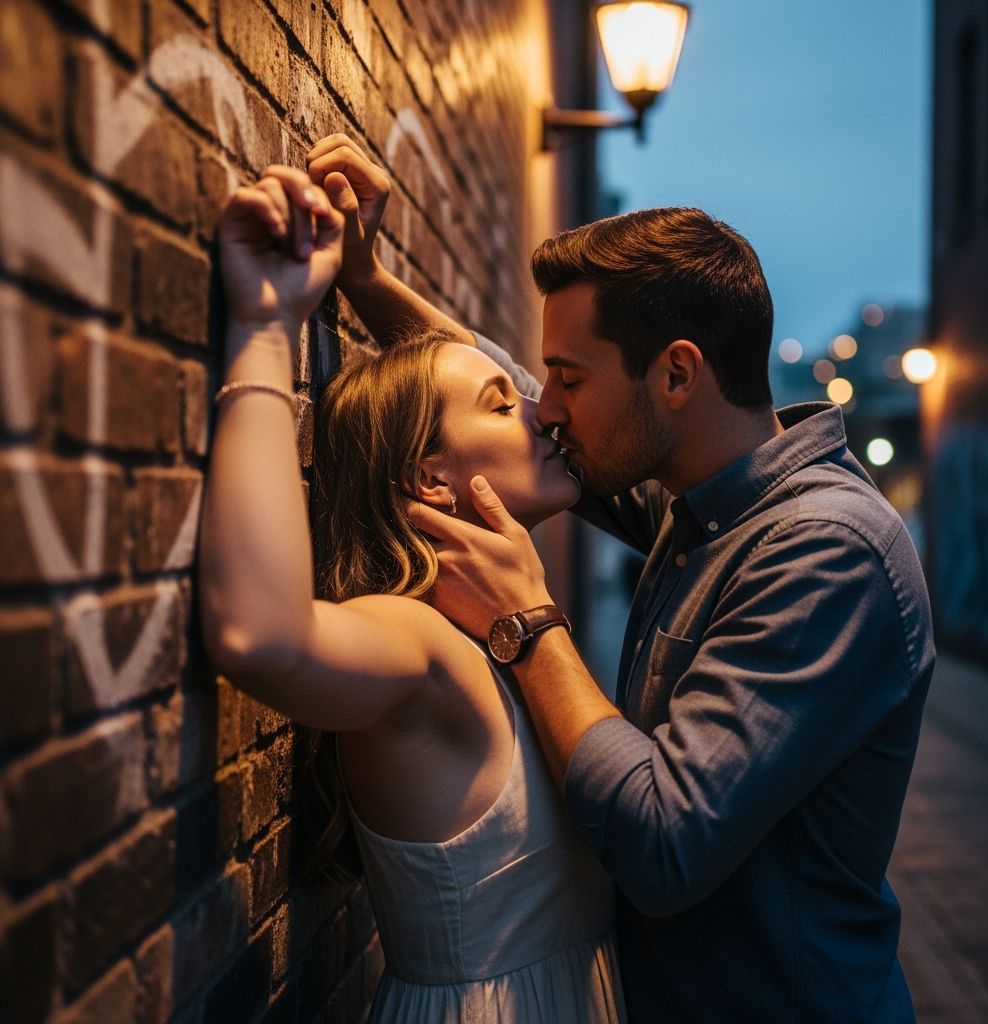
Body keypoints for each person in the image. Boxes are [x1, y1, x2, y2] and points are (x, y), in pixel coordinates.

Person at [307, 133, 936, 1023]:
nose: (546, 410)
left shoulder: (824, 549)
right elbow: (505, 402)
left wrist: (528, 624)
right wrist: (366, 281)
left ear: (676, 374)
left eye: (569, 379)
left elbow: (662, 843)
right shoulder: (699, 498)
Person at [198, 164, 628, 1022]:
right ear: (431, 479)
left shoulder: (492, 627)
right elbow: (261, 636)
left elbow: (457, 382)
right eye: (506, 404)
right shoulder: (418, 635)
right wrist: (262, 330)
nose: (546, 415)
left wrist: (367, 279)